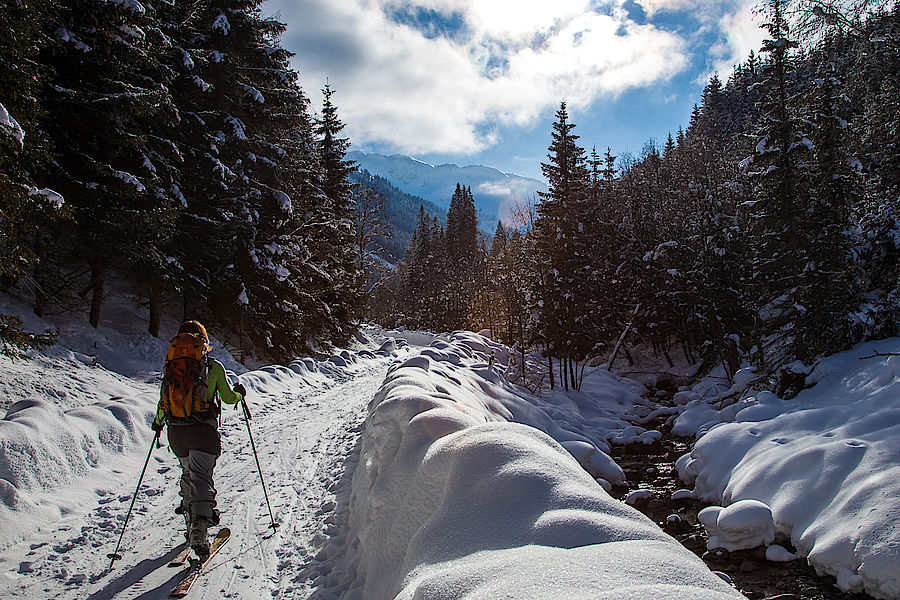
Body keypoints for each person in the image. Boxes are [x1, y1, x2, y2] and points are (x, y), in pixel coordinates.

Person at [152, 320, 246, 556]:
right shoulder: (212, 368)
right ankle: (200, 529)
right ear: (204, 341)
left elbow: (165, 400)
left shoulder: (171, 366)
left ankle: (189, 520)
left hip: (177, 432)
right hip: (202, 432)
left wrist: (158, 421)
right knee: (201, 477)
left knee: (188, 473)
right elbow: (227, 397)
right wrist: (239, 395)